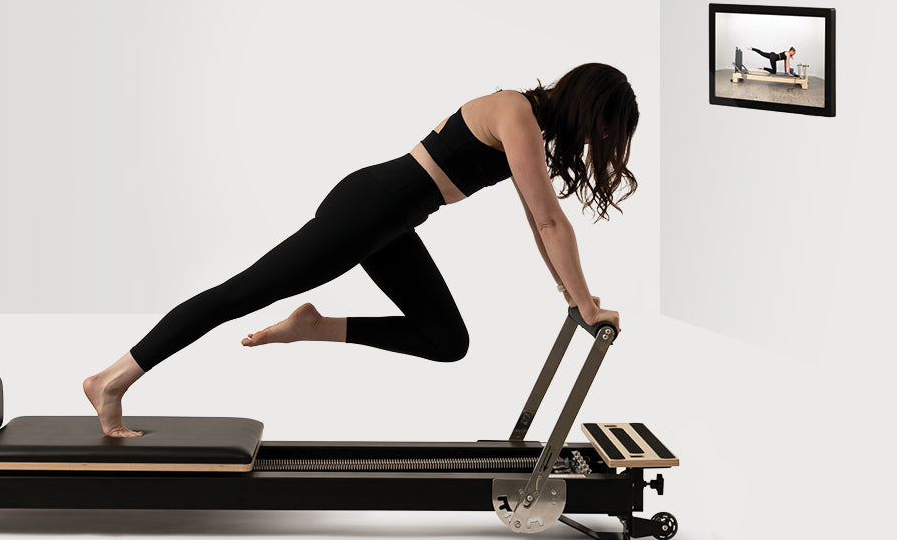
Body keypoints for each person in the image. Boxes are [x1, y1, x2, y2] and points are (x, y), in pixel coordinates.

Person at [84, 63, 639, 437]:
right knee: (237, 295)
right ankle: (110, 379)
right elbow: (548, 221)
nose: (595, 144)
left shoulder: (526, 120)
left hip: (390, 218)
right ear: (588, 109)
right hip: (369, 211)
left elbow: (539, 221)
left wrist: (574, 297)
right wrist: (584, 303)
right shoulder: (515, 112)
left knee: (447, 340)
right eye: (601, 132)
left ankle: (313, 325)